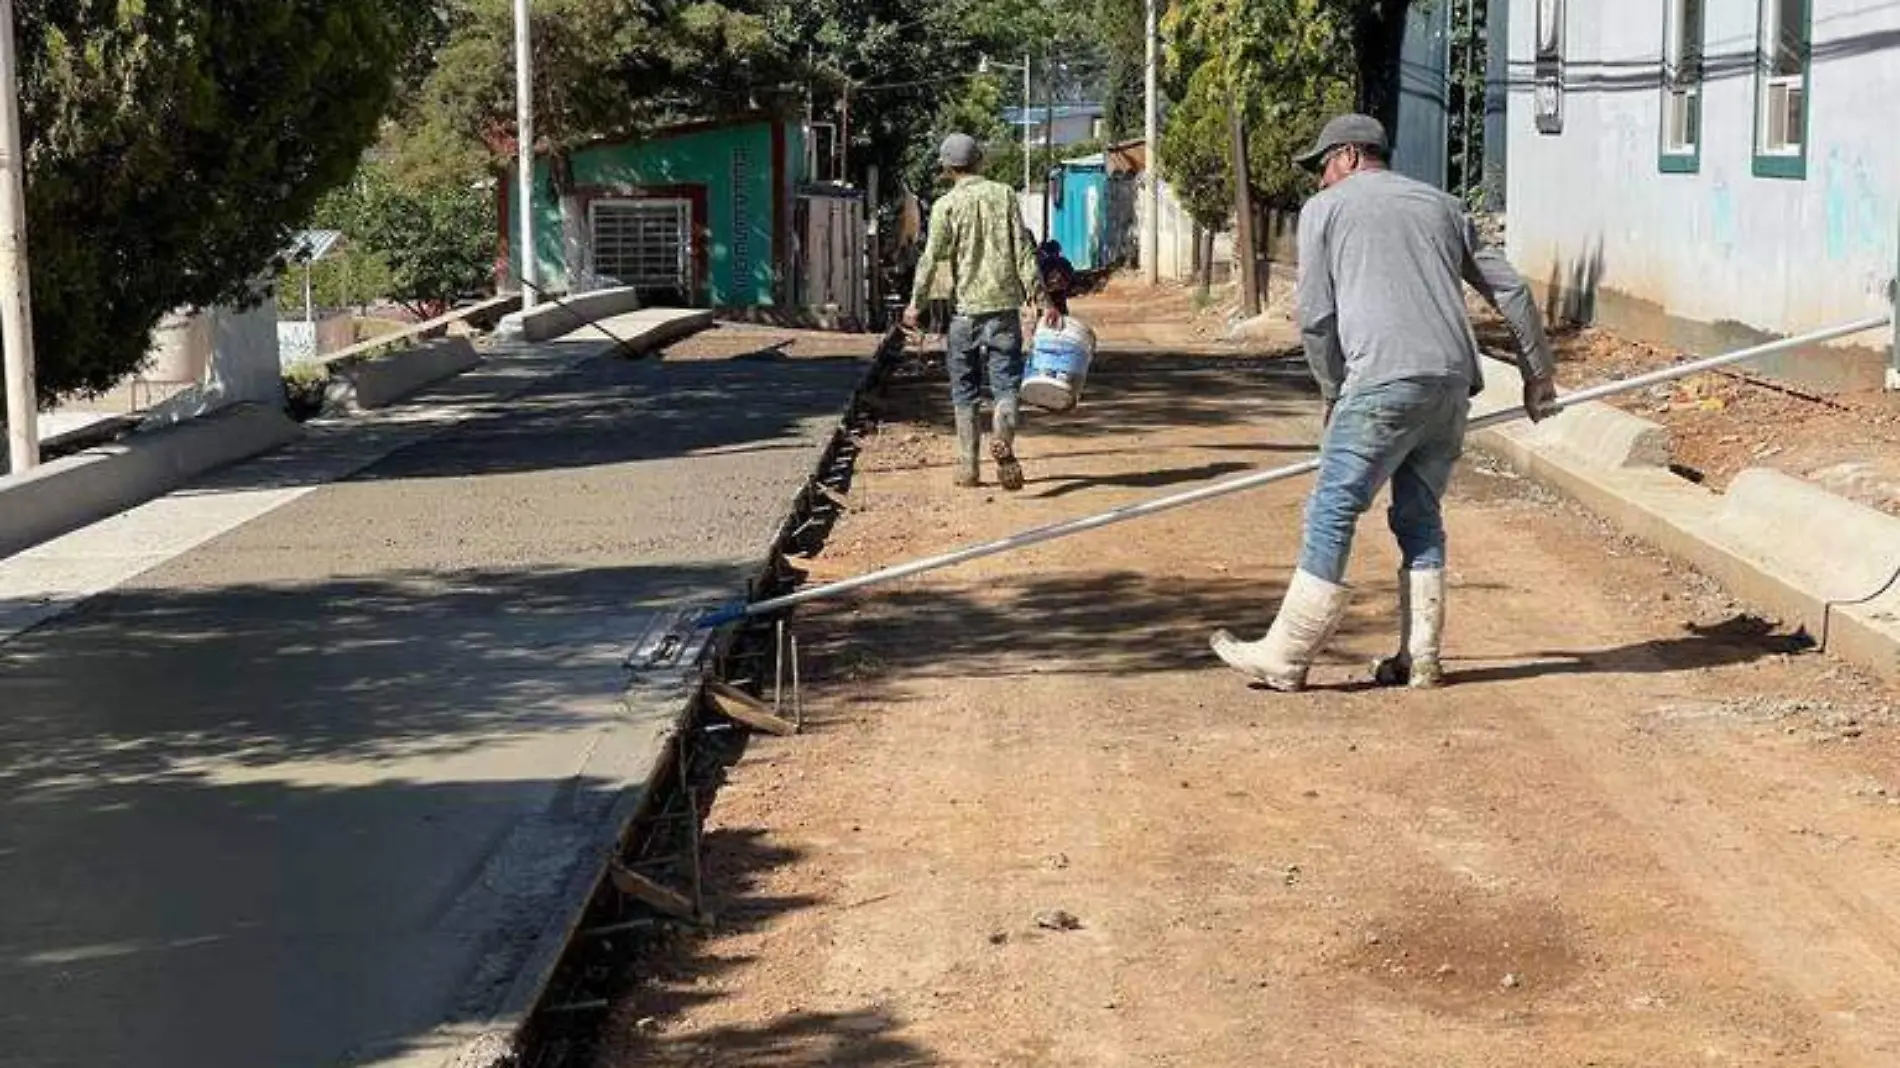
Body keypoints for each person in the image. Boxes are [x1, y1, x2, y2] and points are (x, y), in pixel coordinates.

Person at [1210, 113, 1560, 692]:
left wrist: (1330, 390)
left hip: (1381, 380)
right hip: (1450, 385)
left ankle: (1288, 654)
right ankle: (1420, 657)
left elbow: (1318, 319)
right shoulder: (1444, 206)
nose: (1320, 180)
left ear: (1349, 155)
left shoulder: (1326, 211)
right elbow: (1513, 290)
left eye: (1323, 166)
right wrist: (1538, 375)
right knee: (1419, 514)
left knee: (1333, 507)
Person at [903, 133, 1060, 492]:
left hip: (962, 314)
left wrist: (917, 304)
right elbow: (1024, 252)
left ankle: (968, 467)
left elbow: (931, 259)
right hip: (1003, 310)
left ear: (946, 167)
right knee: (1005, 385)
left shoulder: (946, 205)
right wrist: (1043, 300)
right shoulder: (1004, 194)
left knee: (965, 389)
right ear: (979, 161)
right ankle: (1002, 435)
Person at [1037, 240, 1076, 316]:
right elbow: (1072, 278)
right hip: (1060, 294)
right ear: (1058, 251)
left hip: (1046, 294)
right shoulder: (1064, 262)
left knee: (1044, 316)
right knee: (1062, 314)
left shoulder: (1043, 263)